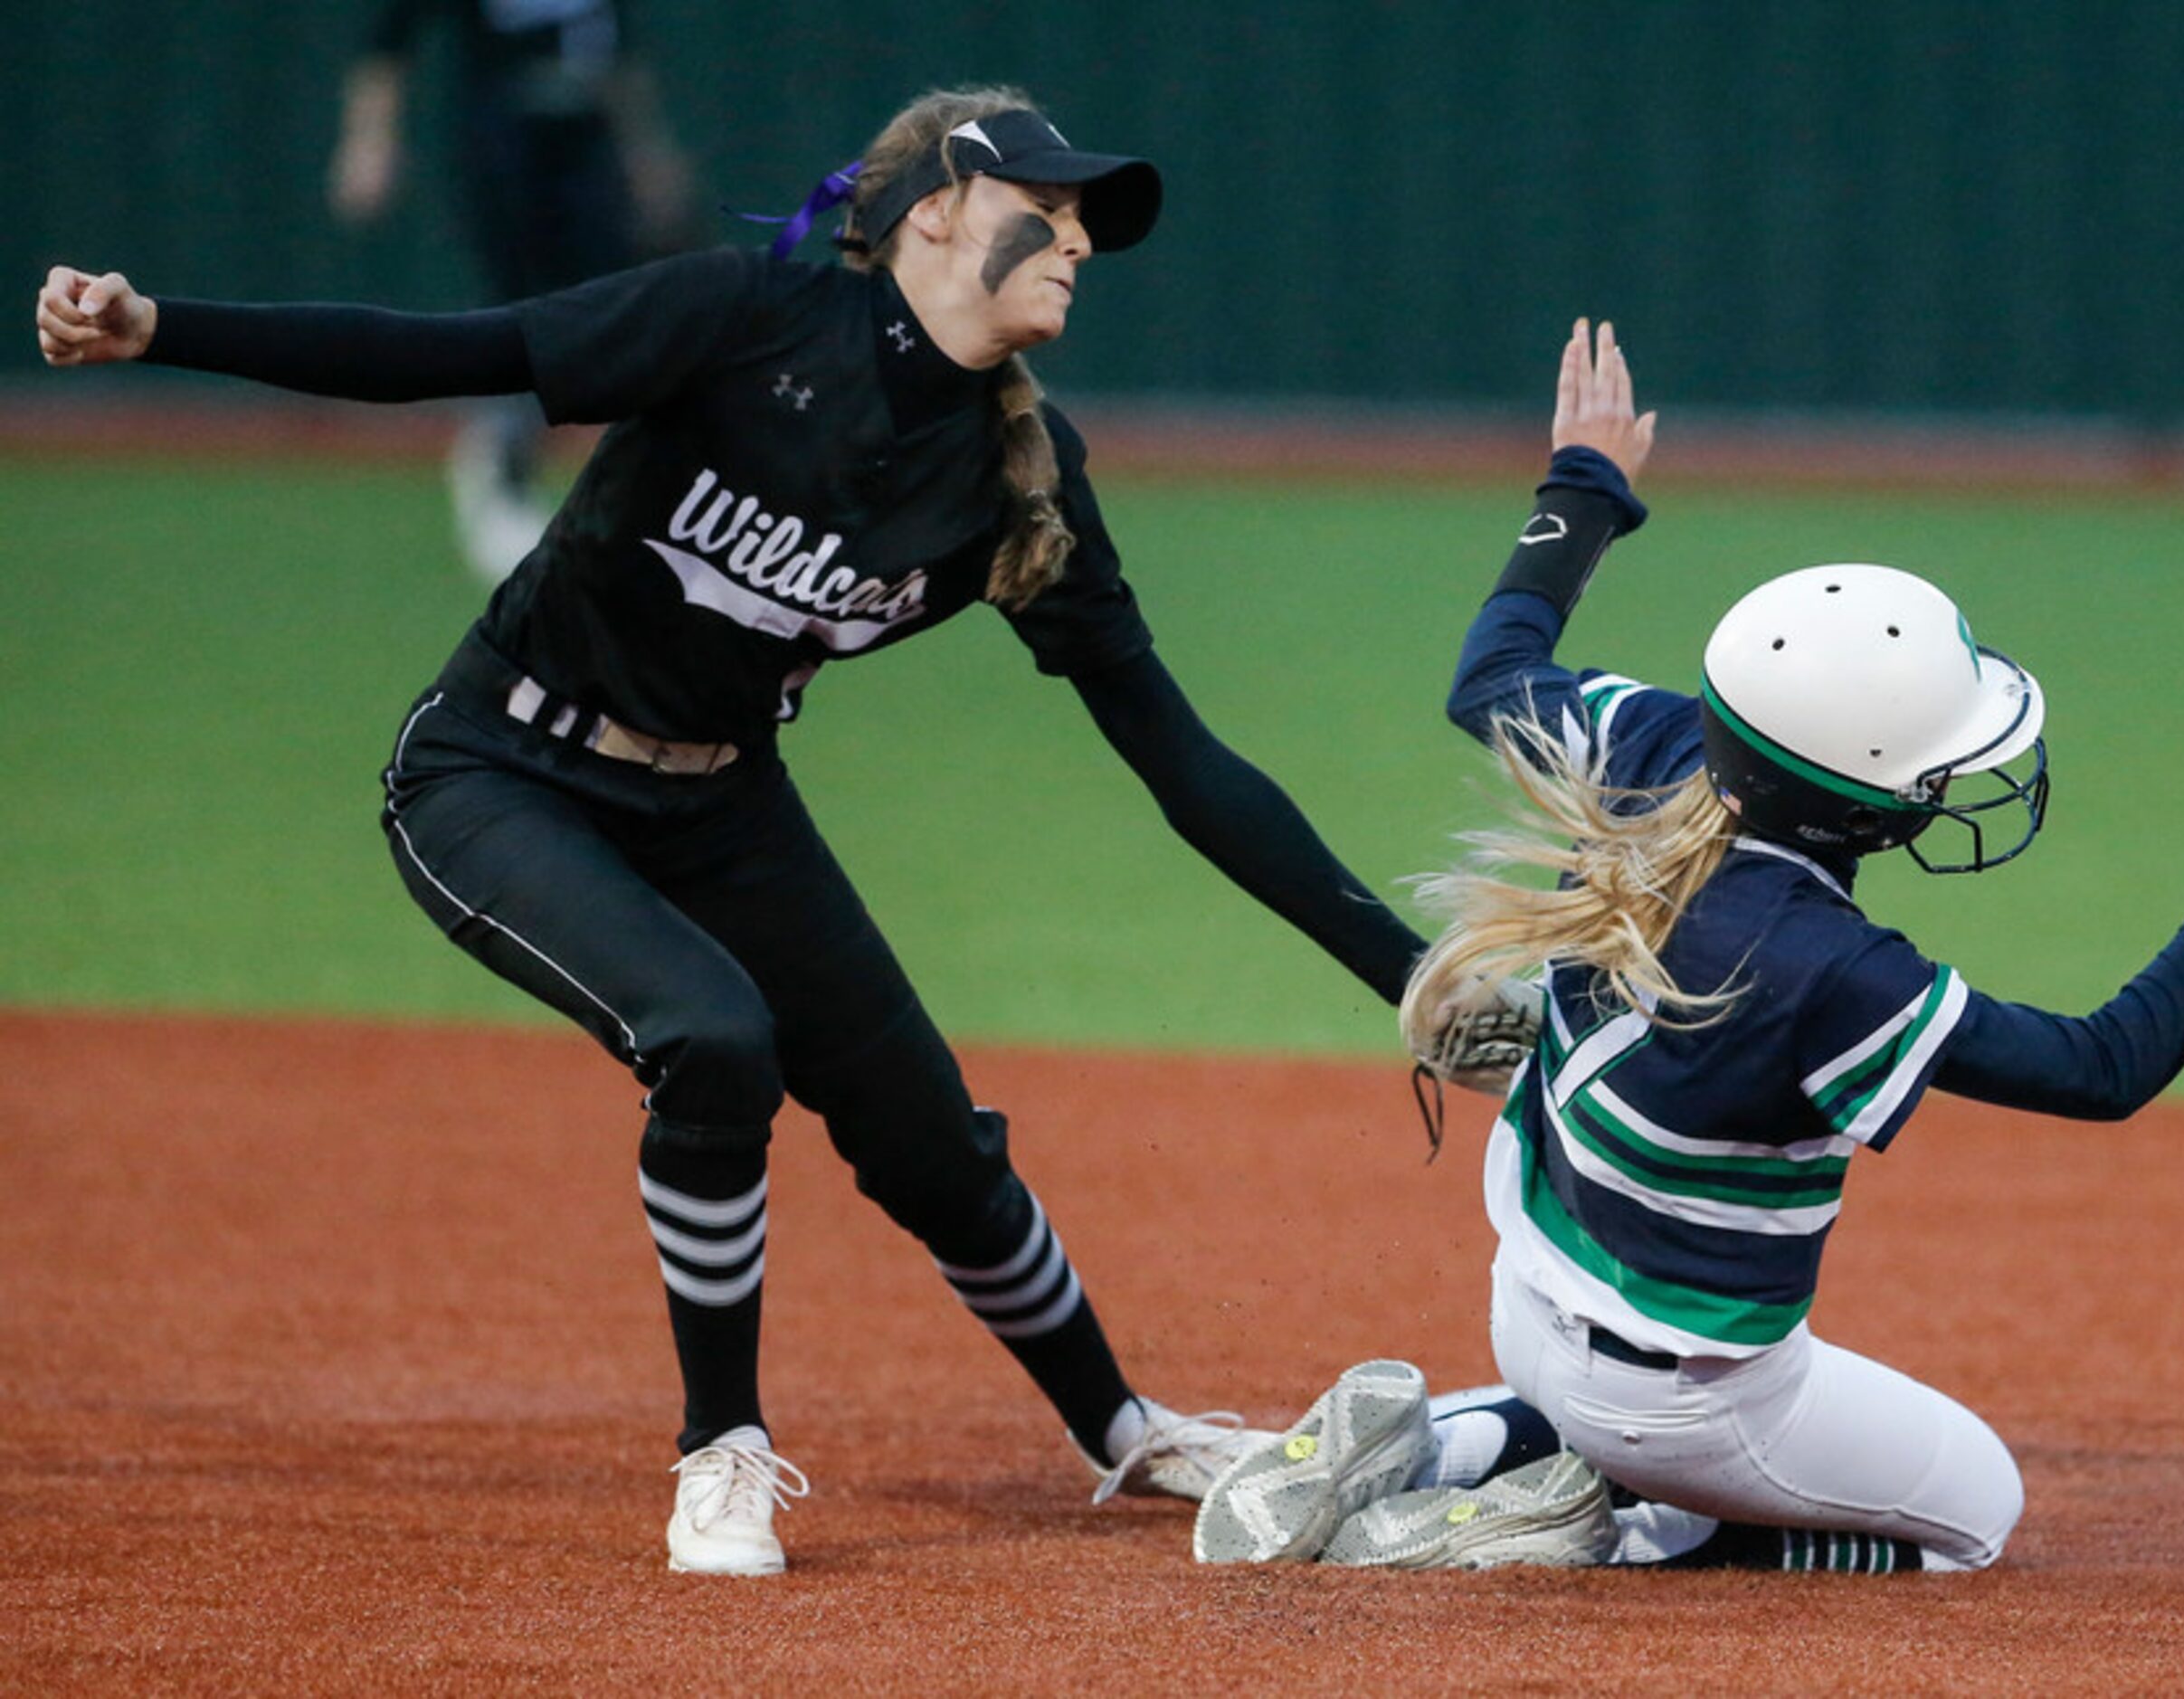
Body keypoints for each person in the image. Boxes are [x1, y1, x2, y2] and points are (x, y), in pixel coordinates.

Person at [36, 86, 1530, 1579]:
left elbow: (1183, 766)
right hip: (501, 772)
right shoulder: (738, 321)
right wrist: (158, 326)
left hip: (720, 797)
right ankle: (721, 1450)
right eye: (1048, 206)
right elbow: (446, 355)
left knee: (929, 1137)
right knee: (714, 1035)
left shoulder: (1020, 480)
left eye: (1088, 221)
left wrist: (1413, 977)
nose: (1077, 239)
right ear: (934, 207)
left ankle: (1119, 1424)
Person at [1192, 319, 2184, 1573]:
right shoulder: (1834, 968)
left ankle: (1439, 1444)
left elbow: (1491, 669)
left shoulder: (1660, 750)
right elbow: (2110, 1066)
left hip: (1524, 1304)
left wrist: (1583, 480)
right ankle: (1610, 1532)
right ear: (1859, 801)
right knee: (1975, 1517)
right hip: (1688, 1401)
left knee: (1615, 1355)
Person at [328, 0, 697, 584]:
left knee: (613, 307)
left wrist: (648, 155)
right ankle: (500, 471)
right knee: (519, 309)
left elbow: (620, 54)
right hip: (504, 125)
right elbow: (389, 41)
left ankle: (642, 497)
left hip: (587, 128)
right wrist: (368, 141)